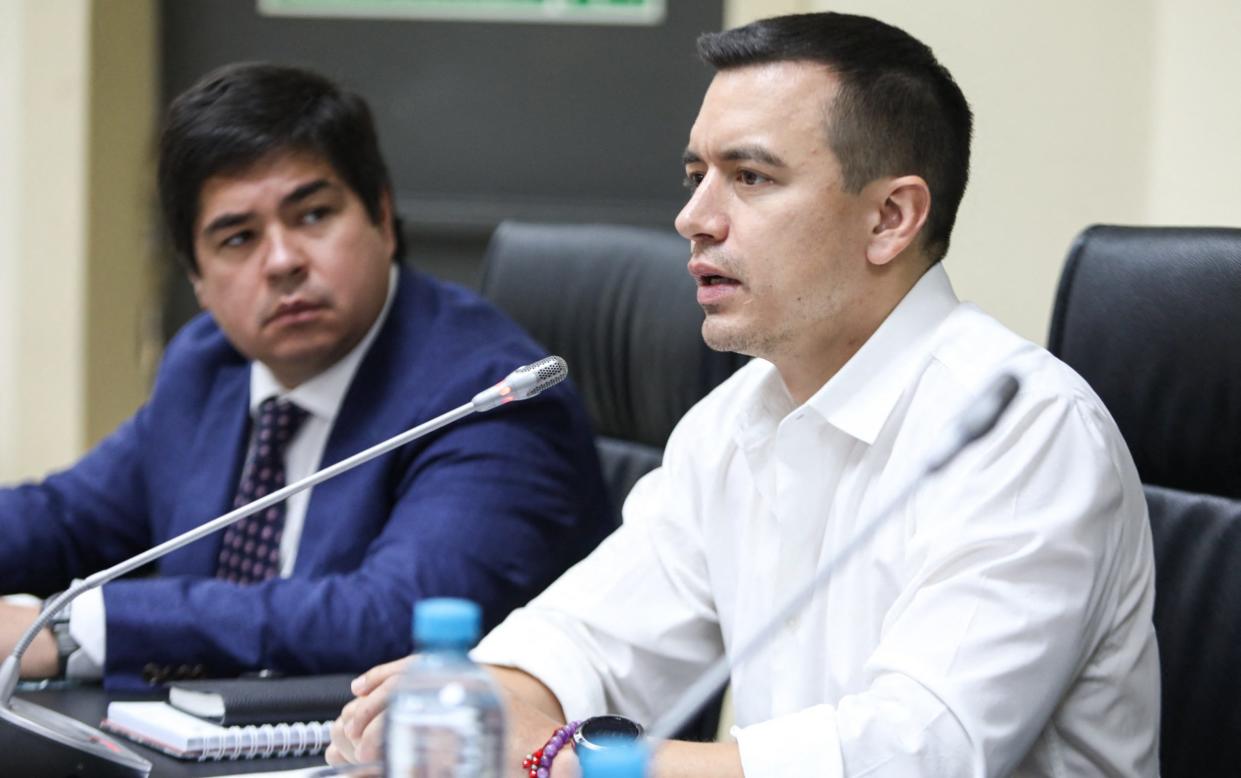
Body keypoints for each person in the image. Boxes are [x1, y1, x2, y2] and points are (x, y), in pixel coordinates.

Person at [330, 12, 1159, 777]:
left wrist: (563, 757)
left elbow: (913, 752)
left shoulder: (1023, 431)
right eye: (696, 174)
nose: (694, 216)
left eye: (750, 177)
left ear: (889, 219)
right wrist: (479, 701)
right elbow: (589, 642)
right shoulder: (733, 422)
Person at [0, 63, 612, 691]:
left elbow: (395, 618)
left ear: (381, 215)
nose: (284, 261)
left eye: (314, 215)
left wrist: (74, 630)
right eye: (238, 238)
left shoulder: (488, 396)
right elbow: (66, 517)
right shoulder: (211, 364)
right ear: (196, 278)